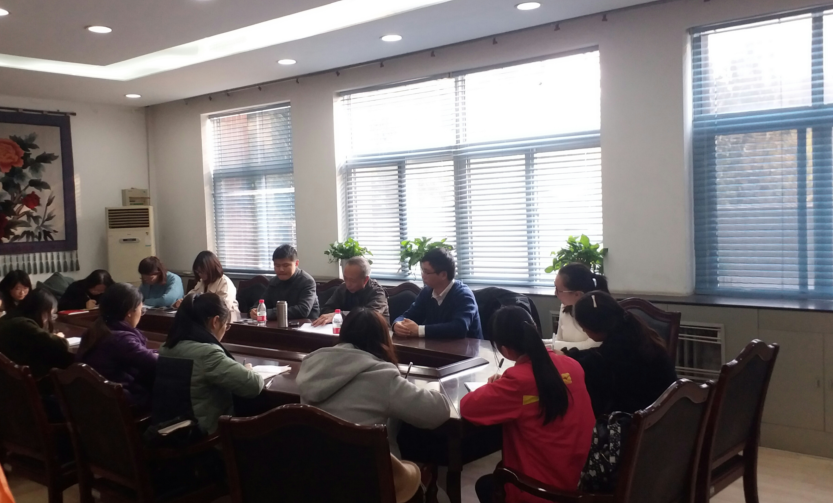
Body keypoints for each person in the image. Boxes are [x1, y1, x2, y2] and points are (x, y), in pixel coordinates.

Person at [461, 306, 595, 503]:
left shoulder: (518, 381)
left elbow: (468, 407)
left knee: (486, 485)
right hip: (582, 481)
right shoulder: (573, 366)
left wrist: (499, 387)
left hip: (540, 491)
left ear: (505, 350)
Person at [297, 308, 450, 457]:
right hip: (368, 471)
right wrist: (432, 387)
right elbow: (437, 412)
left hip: (315, 468)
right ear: (383, 340)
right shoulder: (383, 377)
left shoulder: (311, 366)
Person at [158, 293, 264, 434]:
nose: (225, 331)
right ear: (215, 321)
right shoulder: (207, 354)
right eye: (226, 326)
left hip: (172, 429)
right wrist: (249, 370)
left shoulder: (166, 347)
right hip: (204, 436)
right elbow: (253, 385)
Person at [568, 291, 678, 417]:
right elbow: (597, 354)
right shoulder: (633, 332)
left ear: (594, 327)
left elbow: (595, 362)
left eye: (583, 327)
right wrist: (571, 354)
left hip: (639, 421)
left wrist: (567, 358)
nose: (583, 330)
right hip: (665, 415)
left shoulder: (615, 355)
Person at [76, 283, 157, 409]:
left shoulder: (96, 330)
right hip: (120, 406)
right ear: (129, 312)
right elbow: (155, 362)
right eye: (141, 310)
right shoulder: (121, 339)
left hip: (96, 402)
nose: (141, 314)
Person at [392, 248, 482, 339]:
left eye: (426, 272)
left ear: (443, 275)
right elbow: (409, 315)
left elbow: (460, 328)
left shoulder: (464, 295)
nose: (422, 275)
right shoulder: (426, 292)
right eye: (422, 271)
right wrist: (397, 324)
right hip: (437, 345)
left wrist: (419, 330)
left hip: (468, 347)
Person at [0, 288, 73, 380]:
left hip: (9, 379)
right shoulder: (23, 325)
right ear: (40, 311)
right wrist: (59, 337)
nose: (47, 319)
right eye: (48, 315)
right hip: (28, 381)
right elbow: (61, 344)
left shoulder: (8, 318)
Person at [312, 256, 389, 326]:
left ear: (365, 280)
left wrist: (339, 315)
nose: (348, 284)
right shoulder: (343, 288)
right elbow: (326, 310)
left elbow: (368, 317)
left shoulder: (378, 293)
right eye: (345, 278)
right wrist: (334, 315)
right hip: (344, 332)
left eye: (353, 280)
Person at [250, 245, 319, 321]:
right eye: (277, 265)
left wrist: (266, 313)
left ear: (296, 263)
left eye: (285, 265)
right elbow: (263, 302)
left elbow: (303, 310)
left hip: (305, 324)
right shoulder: (274, 281)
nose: (281, 269)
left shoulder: (307, 281)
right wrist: (254, 310)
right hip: (279, 324)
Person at [552, 263, 610, 351]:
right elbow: (559, 340)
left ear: (577, 294)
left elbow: (593, 346)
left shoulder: (597, 310)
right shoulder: (565, 305)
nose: (555, 293)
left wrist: (551, 345)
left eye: (558, 290)